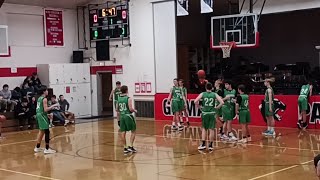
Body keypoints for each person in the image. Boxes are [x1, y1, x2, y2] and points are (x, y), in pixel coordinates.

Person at [195, 83, 224, 151]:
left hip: (205, 113)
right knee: (212, 129)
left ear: (206, 88)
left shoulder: (203, 94)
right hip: (212, 113)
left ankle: (203, 144)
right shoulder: (214, 94)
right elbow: (222, 102)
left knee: (204, 129)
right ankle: (211, 145)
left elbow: (195, 101)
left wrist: (200, 107)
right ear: (212, 88)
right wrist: (216, 108)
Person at [34, 86, 60, 154]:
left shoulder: (39, 98)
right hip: (42, 115)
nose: (47, 91)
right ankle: (47, 149)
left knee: (41, 131)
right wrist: (53, 105)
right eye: (46, 90)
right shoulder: (44, 99)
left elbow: (41, 109)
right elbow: (46, 109)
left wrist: (47, 115)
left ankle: (37, 147)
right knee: (47, 131)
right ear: (44, 91)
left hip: (39, 114)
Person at [117, 85, 138, 154]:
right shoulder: (128, 98)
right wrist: (134, 110)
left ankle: (125, 148)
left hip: (122, 116)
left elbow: (117, 109)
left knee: (123, 132)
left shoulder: (118, 99)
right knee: (133, 131)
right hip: (128, 116)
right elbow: (130, 109)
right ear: (126, 90)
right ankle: (131, 146)